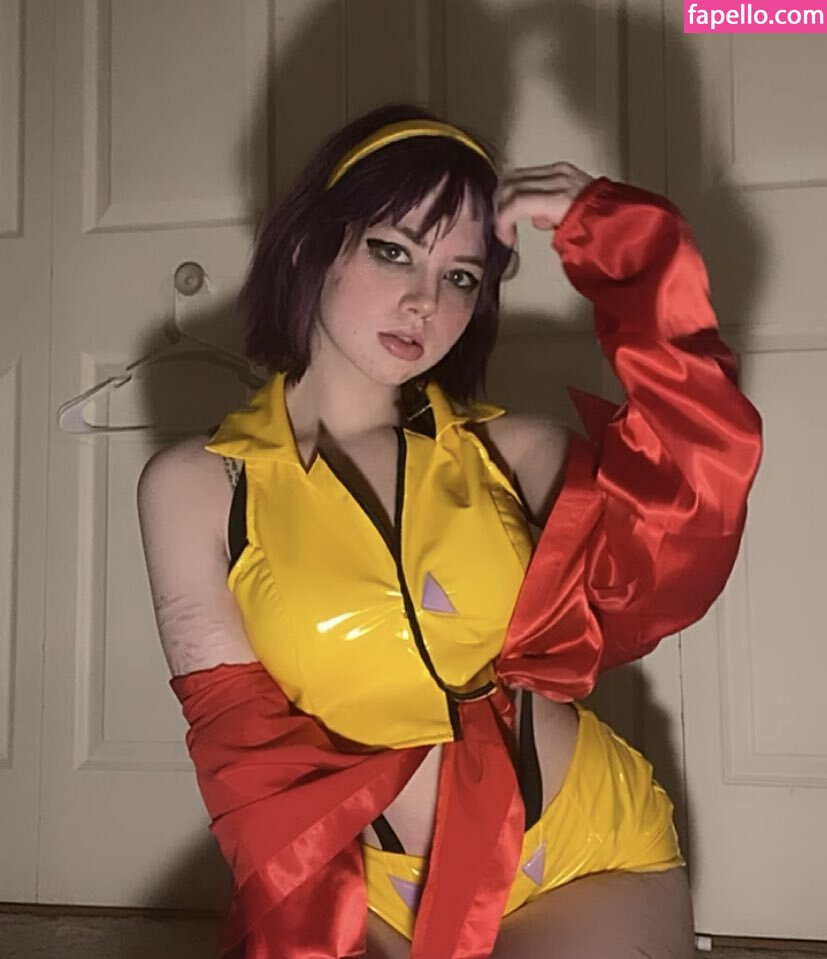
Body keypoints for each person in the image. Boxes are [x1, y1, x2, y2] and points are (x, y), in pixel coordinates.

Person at [137, 103, 762, 958]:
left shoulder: (513, 452)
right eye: (392, 250)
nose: (424, 301)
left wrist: (627, 252)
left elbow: (691, 507)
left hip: (584, 854)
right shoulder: (197, 488)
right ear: (309, 246)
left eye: (461, 275)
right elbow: (242, 750)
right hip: (370, 888)